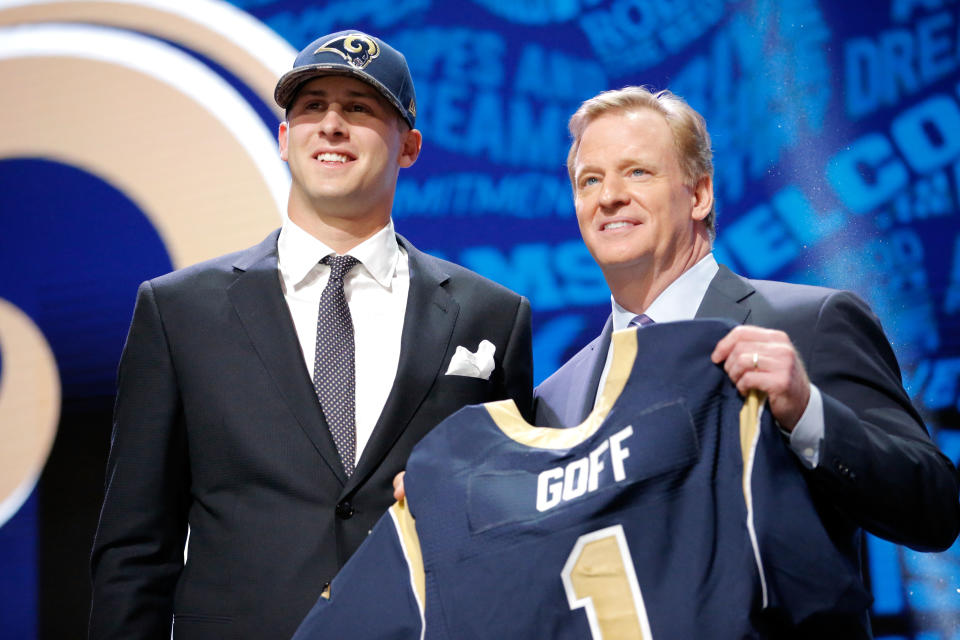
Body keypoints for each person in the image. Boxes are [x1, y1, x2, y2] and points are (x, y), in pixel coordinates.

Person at [89, 30, 533, 640]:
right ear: (284, 139)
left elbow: (512, 533)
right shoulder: (178, 310)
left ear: (409, 146)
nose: (331, 124)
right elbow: (134, 547)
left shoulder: (491, 316)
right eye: (311, 107)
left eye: (358, 108)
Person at [532, 85, 959, 637]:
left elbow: (934, 508)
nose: (609, 196)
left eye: (638, 172)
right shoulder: (557, 398)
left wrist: (808, 412)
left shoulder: (810, 323)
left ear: (699, 195)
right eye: (590, 180)